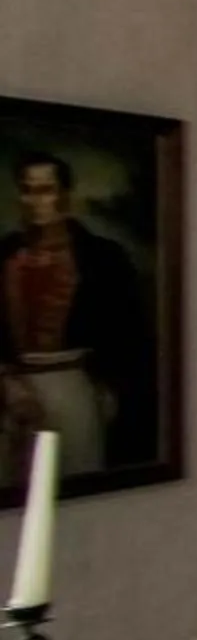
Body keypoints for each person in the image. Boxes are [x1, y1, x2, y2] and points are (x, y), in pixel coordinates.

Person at [2, 151, 153, 478]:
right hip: (10, 390)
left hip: (73, 384)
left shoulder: (102, 257)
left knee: (78, 482)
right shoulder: (5, 254)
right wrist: (9, 383)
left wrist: (108, 386)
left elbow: (128, 330)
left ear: (64, 195)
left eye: (46, 190)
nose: (35, 201)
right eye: (28, 190)